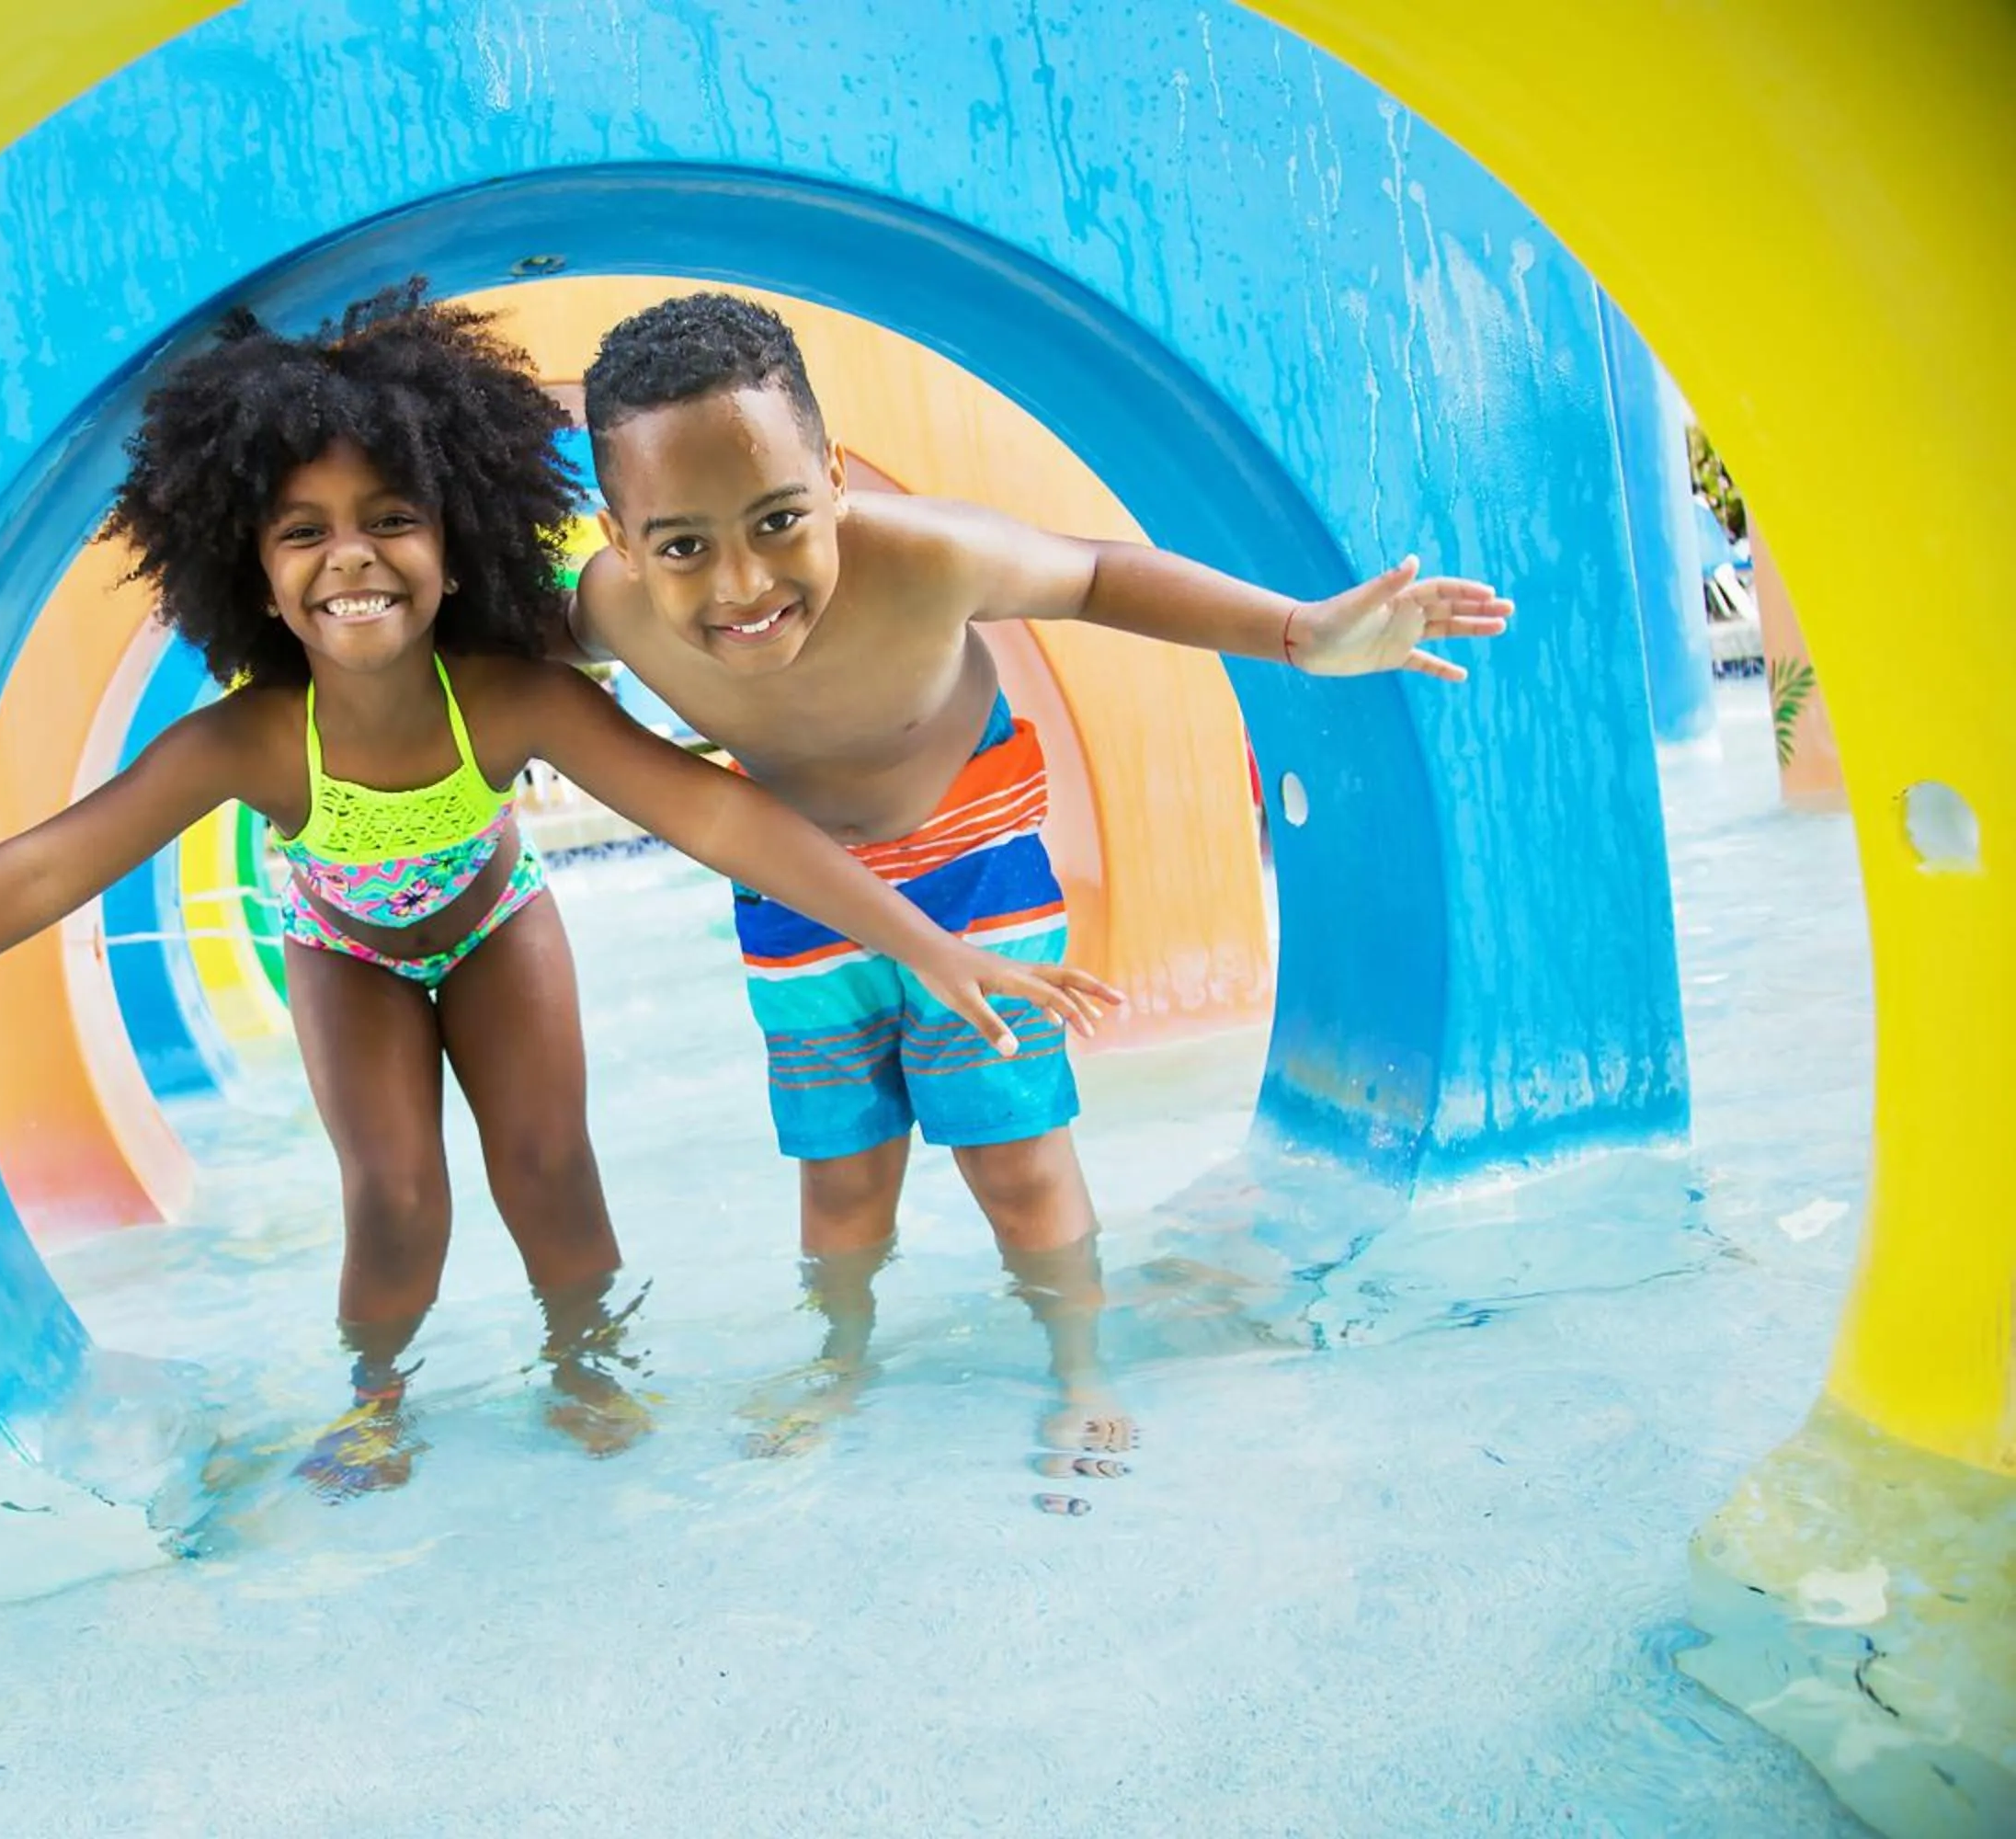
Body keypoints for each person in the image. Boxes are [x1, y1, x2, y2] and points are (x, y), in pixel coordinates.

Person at [0, 286, 1118, 1501]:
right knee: (396, 1194)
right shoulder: (251, 740)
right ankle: (379, 1391)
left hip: (489, 918)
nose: (353, 560)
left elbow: (717, 819)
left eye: (392, 517)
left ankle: (585, 1363)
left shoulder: (511, 699)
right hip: (339, 940)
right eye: (301, 534)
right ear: (252, 574)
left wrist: (930, 944)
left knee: (547, 1166)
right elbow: (43, 869)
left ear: (457, 533)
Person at [567, 291, 1513, 1467]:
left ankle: (1079, 1370)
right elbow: (473, 662)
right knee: (840, 1177)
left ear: (837, 481)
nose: (742, 582)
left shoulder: (926, 558)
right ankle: (841, 1364)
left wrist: (1299, 633)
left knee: (1014, 1157)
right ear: (618, 538)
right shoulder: (603, 613)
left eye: (777, 519)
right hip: (796, 891)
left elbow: (1098, 576)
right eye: (682, 545)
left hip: (970, 856)